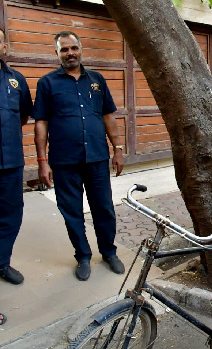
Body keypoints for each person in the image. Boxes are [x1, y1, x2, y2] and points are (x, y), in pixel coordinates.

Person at [33, 31, 125, 281]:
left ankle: (108, 251)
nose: (70, 53)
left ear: (80, 50)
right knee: (71, 211)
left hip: (96, 157)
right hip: (64, 162)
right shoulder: (47, 83)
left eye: (74, 48)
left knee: (104, 208)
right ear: (57, 54)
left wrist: (117, 149)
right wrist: (42, 162)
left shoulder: (96, 80)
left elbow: (108, 115)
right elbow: (41, 123)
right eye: (64, 49)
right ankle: (83, 256)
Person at [0, 28, 33, 285]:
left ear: (4, 47)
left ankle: (2, 263)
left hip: (11, 162)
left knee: (12, 214)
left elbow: (23, 117)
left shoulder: (16, 80)